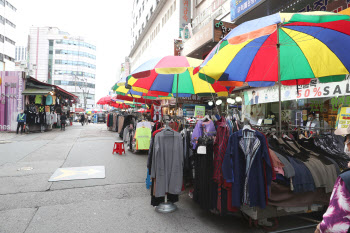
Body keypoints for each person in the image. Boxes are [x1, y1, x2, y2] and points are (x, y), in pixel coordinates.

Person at [314, 125, 350, 233]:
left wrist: (319, 228)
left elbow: (334, 223)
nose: (345, 144)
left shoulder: (346, 179)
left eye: (346, 139)